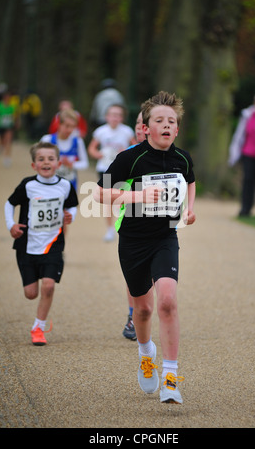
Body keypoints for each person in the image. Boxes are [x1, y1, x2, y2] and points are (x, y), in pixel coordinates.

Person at [94, 91, 196, 404]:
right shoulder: (130, 158)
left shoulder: (182, 158)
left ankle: (170, 377)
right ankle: (145, 352)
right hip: (134, 241)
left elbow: (190, 181)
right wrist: (136, 197)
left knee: (166, 300)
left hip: (165, 237)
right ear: (146, 128)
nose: (166, 125)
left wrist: (190, 209)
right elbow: (99, 194)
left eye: (171, 121)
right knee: (144, 308)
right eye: (159, 121)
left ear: (177, 129)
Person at [4, 142, 78, 346]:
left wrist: (70, 215)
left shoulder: (64, 185)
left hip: (53, 243)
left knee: (48, 285)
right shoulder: (28, 185)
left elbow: (72, 205)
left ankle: (39, 327)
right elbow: (10, 203)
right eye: (41, 159)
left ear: (58, 163)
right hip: (27, 245)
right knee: (31, 293)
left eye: (50, 159)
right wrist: (11, 225)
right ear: (33, 164)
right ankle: (38, 316)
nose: (46, 162)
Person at [88, 104, 135, 241]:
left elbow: (135, 147)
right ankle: (110, 230)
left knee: (124, 197)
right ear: (106, 117)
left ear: (122, 118)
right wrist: (99, 154)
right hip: (105, 169)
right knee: (108, 199)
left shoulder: (127, 131)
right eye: (112, 114)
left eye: (118, 115)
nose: (115, 117)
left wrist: (125, 153)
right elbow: (91, 148)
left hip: (123, 170)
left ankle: (125, 225)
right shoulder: (101, 132)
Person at [122, 111, 146, 341]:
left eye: (144, 123)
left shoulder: (169, 156)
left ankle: (146, 313)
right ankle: (133, 316)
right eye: (137, 123)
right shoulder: (126, 156)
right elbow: (110, 189)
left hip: (161, 224)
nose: (140, 127)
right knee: (135, 276)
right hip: (130, 222)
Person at [41, 108, 89, 192]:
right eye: (67, 126)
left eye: (73, 127)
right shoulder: (47, 140)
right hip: (50, 186)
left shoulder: (78, 141)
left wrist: (71, 164)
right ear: (59, 124)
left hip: (70, 185)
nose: (70, 130)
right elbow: (38, 163)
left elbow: (85, 163)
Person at [0, 90, 16, 166]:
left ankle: (7, 158)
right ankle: (0, 147)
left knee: (8, 141)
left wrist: (16, 123)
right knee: (2, 141)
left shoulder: (11, 107)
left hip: (9, 126)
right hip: (0, 126)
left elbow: (14, 116)